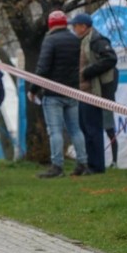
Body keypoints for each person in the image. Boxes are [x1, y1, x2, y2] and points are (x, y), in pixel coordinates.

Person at [27, 11, 90, 178]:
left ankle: (57, 167)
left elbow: (43, 68)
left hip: (53, 92)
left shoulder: (50, 40)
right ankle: (82, 164)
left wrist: (33, 90)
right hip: (72, 91)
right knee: (75, 130)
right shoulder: (75, 40)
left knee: (55, 131)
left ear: (50, 24)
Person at [70, 13, 118, 174]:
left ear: (83, 26)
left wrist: (89, 71)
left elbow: (110, 59)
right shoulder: (83, 41)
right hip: (83, 92)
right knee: (85, 128)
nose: (73, 29)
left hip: (94, 92)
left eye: (75, 25)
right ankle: (90, 164)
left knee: (93, 130)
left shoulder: (98, 41)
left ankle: (97, 166)